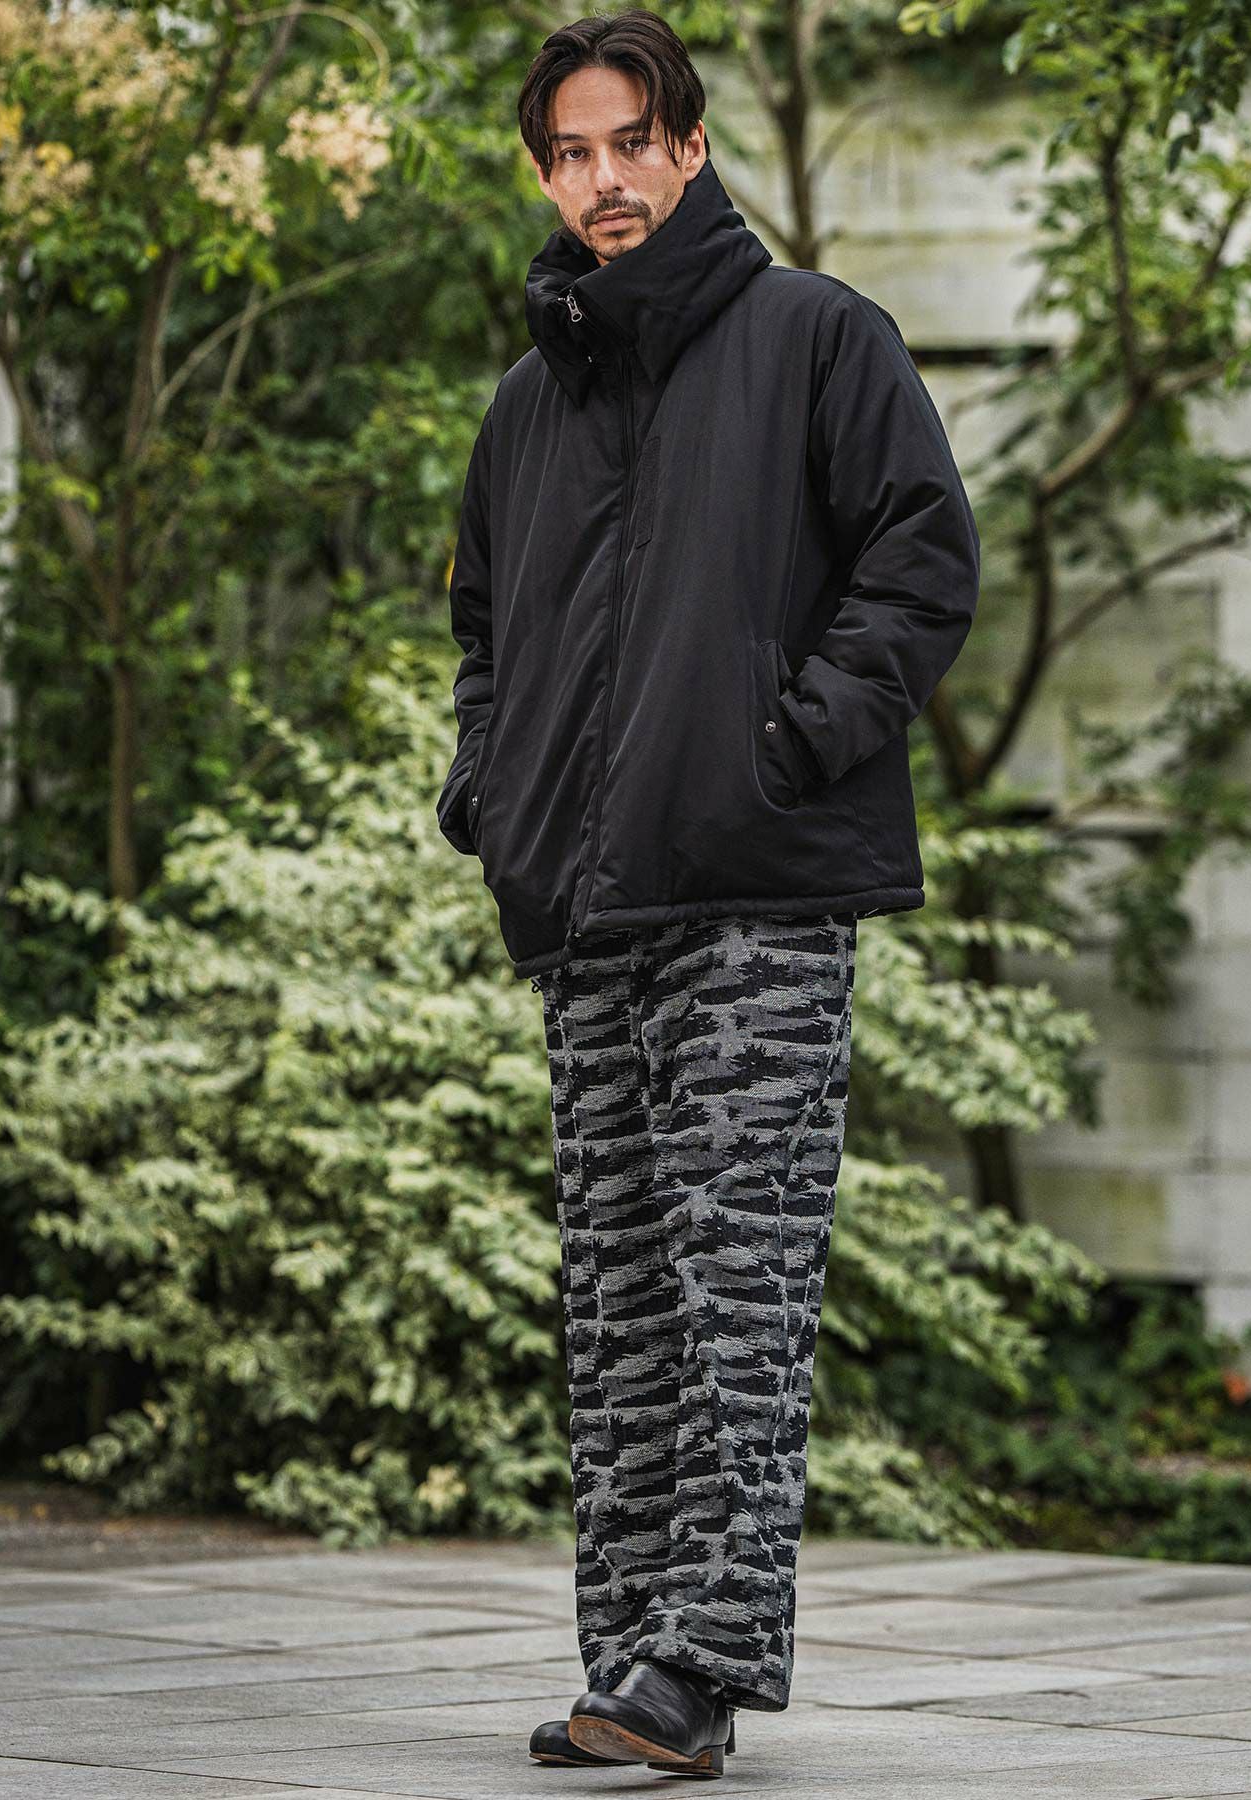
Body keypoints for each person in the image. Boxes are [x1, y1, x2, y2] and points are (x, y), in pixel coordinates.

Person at [435, 8, 979, 1781]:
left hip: (756, 897)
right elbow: (484, 634)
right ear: (547, 174)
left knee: (736, 1298)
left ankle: (709, 1662)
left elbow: (921, 561)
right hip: (586, 911)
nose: (603, 179)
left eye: (630, 143)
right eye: (570, 153)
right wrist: (490, 790)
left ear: (687, 147)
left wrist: (787, 745)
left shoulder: (817, 335)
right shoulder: (529, 403)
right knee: (620, 1310)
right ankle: (631, 1665)